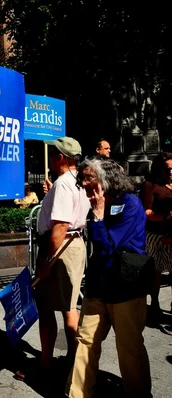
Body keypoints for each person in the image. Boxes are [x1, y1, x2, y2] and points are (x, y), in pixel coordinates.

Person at [68, 158, 151, 397]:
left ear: (106, 178)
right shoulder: (98, 205)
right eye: (82, 178)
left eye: (88, 177)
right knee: (85, 342)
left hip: (125, 287)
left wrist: (98, 216)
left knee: (129, 347)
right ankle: (77, 394)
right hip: (98, 286)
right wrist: (97, 214)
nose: (84, 183)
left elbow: (108, 247)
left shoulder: (130, 204)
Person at [35, 137, 90, 371]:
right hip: (73, 244)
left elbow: (59, 225)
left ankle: (46, 363)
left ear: (60, 157)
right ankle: (73, 362)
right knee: (69, 305)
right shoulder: (79, 181)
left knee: (48, 307)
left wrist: (47, 260)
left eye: (53, 154)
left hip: (60, 247)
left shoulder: (64, 183)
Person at [140, 151, 172, 319]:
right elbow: (145, 212)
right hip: (155, 235)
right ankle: (155, 304)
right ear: (159, 169)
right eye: (167, 169)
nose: (171, 172)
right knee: (155, 272)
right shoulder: (150, 185)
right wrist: (166, 216)